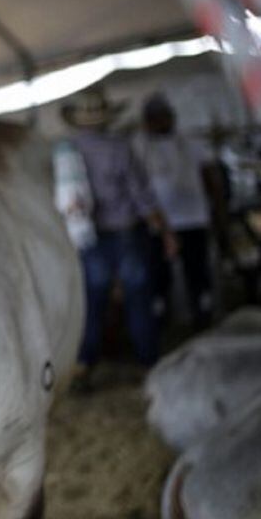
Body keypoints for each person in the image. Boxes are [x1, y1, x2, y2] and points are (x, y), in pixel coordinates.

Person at [61, 91, 177, 387]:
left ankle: (86, 363)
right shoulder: (120, 148)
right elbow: (142, 196)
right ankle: (149, 362)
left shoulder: (67, 152)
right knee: (138, 297)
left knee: (93, 299)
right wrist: (164, 232)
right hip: (125, 230)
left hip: (90, 235)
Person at [132, 94, 223, 330]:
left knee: (197, 269)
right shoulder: (139, 146)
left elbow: (210, 175)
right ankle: (162, 317)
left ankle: (203, 313)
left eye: (164, 117)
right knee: (159, 273)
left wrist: (217, 208)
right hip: (159, 222)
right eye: (154, 118)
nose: (160, 122)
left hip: (193, 217)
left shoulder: (190, 143)